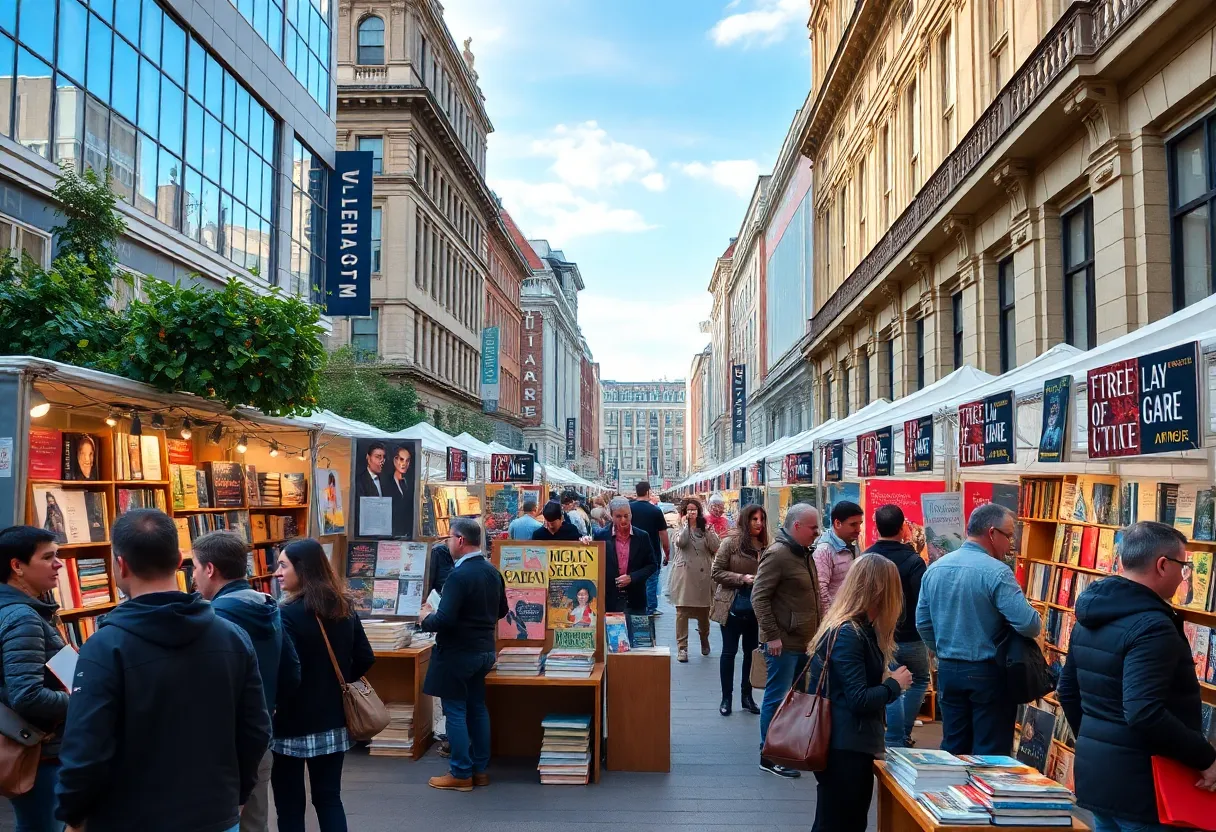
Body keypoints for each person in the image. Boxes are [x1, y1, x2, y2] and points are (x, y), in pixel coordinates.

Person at [55, 509, 270, 832]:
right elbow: (255, 728)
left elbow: (87, 747)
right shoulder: (232, 636)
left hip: (127, 818)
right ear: (178, 560)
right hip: (214, 814)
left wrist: (72, 814)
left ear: (121, 564)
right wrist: (237, 794)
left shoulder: (104, 646)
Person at [1057, 522, 1216, 831]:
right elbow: (1144, 711)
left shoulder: (1089, 615)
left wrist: (1096, 743)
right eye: (1183, 567)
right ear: (1162, 565)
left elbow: (1067, 691)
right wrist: (1206, 758)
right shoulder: (1153, 626)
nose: (1184, 576)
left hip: (1099, 776)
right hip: (1146, 786)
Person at [192, 531, 301, 832]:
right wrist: (270, 704)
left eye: (195, 567)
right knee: (255, 821)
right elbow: (292, 670)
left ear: (210, 569)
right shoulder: (270, 608)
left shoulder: (212, 619)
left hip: (220, 743)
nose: (194, 576)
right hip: (260, 736)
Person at [916, 503, 1040, 755]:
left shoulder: (935, 569)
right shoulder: (997, 572)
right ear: (992, 533)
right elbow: (1029, 624)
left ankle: (952, 794)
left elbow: (923, 623)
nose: (1011, 544)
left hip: (949, 669)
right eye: (1009, 535)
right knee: (990, 753)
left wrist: (942, 650)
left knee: (954, 746)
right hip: (988, 671)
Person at [272, 539, 374, 831]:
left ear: (301, 569)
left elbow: (287, 670)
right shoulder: (343, 606)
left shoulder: (286, 614)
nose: (277, 572)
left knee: (289, 804)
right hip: (333, 718)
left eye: (283, 565)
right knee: (329, 798)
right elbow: (365, 656)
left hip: (291, 722)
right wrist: (338, 679)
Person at [807, 554, 913, 832]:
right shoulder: (849, 633)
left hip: (847, 744)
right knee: (840, 822)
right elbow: (858, 699)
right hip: (845, 747)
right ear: (878, 591)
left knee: (838, 820)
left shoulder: (855, 630)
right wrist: (894, 685)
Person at [416, 518, 507, 791]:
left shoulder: (458, 575)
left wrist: (425, 617)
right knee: (477, 707)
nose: (446, 543)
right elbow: (501, 611)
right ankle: (479, 769)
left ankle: (460, 772)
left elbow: (443, 620)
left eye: (448, 538)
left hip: (457, 652)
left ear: (459, 540)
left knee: (454, 709)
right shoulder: (492, 572)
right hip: (484, 650)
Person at [0, 526, 69, 831]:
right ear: (17, 567)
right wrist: (81, 698)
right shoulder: (22, 617)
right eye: (49, 557)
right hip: (38, 751)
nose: (59, 564)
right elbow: (27, 695)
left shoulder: (23, 610)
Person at [752, 503, 822, 778]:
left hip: (804, 641)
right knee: (777, 698)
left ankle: (787, 750)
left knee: (794, 700)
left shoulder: (803, 553)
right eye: (813, 527)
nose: (818, 532)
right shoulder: (779, 554)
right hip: (785, 643)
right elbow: (759, 597)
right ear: (797, 527)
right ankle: (770, 754)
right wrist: (772, 636)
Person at [864, 504, 929, 748]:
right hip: (911, 634)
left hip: (878, 635)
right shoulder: (913, 561)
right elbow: (922, 600)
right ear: (903, 528)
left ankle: (892, 737)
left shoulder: (866, 558)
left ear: (876, 526)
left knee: (888, 682)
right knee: (919, 680)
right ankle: (901, 735)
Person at [711, 504, 766, 717]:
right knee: (729, 652)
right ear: (745, 520)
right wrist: (741, 578)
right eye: (754, 519)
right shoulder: (730, 543)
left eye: (761, 519)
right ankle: (727, 697)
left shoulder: (766, 546)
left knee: (751, 653)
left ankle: (747, 696)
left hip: (756, 607)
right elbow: (716, 572)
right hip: (732, 605)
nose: (759, 523)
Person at [668, 497, 720, 663]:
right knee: (681, 612)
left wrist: (709, 532)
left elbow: (715, 546)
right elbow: (681, 542)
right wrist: (685, 526)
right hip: (684, 576)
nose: (691, 512)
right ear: (683, 513)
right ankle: (682, 648)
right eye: (688, 510)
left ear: (698, 511)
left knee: (703, 613)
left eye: (694, 509)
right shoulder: (678, 529)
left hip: (703, 576)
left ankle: (704, 638)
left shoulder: (706, 528)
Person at [592, 498, 658, 614]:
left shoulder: (642, 536)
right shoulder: (601, 536)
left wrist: (632, 577)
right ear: (611, 516)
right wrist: (585, 543)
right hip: (609, 600)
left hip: (636, 600)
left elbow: (652, 565)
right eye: (618, 516)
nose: (623, 520)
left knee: (637, 632)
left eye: (626, 515)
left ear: (631, 514)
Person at [813, 500, 863, 612]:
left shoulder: (853, 545)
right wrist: (831, 622)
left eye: (860, 524)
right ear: (837, 523)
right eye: (853, 524)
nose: (858, 529)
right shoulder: (824, 550)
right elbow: (821, 591)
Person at [629, 483, 670, 617]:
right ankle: (651, 608)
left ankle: (635, 605)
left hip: (632, 551)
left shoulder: (629, 509)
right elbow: (663, 534)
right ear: (648, 492)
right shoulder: (655, 511)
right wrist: (667, 553)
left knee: (634, 579)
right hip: (652, 552)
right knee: (651, 581)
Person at [387, 444, 415, 537]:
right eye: (401, 459)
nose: (404, 464)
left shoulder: (409, 483)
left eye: (407, 460)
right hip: (390, 532)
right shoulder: (386, 482)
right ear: (395, 460)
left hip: (407, 533)